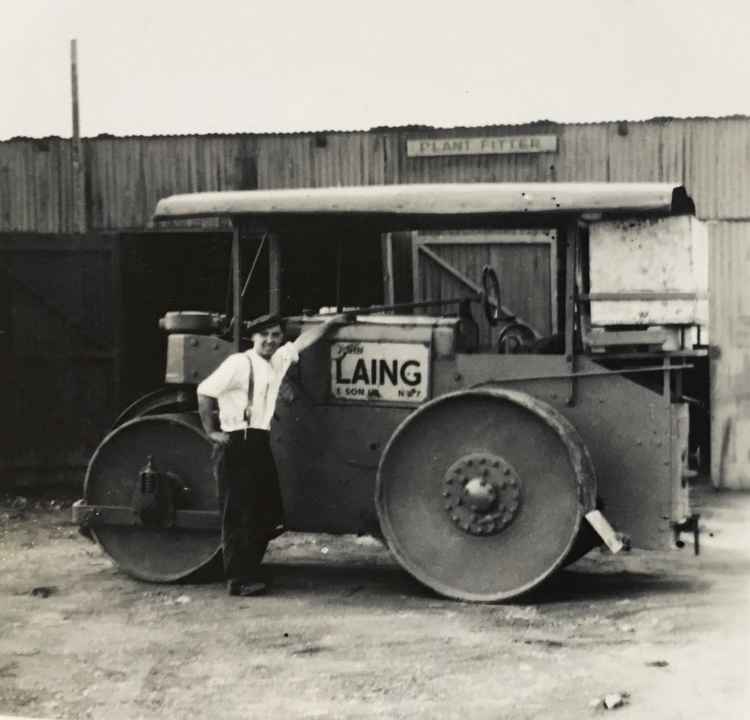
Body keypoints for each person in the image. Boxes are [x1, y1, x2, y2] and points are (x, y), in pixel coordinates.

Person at [197, 312, 351, 596]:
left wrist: (329, 324)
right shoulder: (239, 363)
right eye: (264, 335)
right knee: (239, 512)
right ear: (253, 337)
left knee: (265, 511)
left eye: (275, 335)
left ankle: (251, 569)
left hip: (259, 440)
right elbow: (204, 391)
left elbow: (303, 341)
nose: (269, 340)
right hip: (238, 440)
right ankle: (238, 579)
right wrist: (211, 431)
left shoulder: (277, 361)